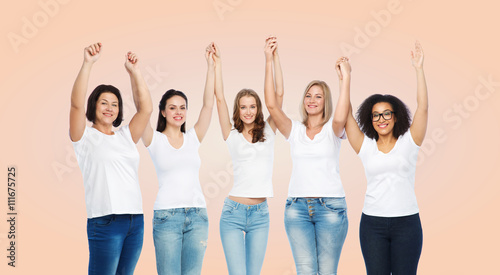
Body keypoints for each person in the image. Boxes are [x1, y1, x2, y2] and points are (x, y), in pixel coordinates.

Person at [264, 36, 351, 274]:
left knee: (327, 271)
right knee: (305, 270)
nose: (312, 100)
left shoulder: (334, 129)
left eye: (318, 96)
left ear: (326, 102)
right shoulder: (295, 131)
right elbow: (271, 106)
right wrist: (269, 59)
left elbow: (343, 115)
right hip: (297, 208)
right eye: (308, 96)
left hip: (331, 208)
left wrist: (345, 78)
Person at [344, 41, 427, 275]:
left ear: (396, 116)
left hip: (407, 224)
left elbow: (423, 108)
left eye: (386, 113)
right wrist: (345, 79)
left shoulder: (409, 142)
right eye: (375, 115)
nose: (381, 119)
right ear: (370, 120)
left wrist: (419, 69)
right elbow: (347, 115)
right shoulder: (366, 146)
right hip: (372, 225)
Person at [70, 42, 152, 275]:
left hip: (135, 221)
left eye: (115, 104)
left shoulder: (125, 135)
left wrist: (134, 72)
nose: (109, 108)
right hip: (105, 221)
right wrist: (87, 63)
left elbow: (146, 109)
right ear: (94, 105)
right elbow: (75, 104)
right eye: (104, 102)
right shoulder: (83, 137)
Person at [141, 43, 216, 275]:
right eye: (172, 107)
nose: (178, 112)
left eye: (182, 108)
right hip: (167, 218)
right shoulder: (153, 139)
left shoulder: (193, 138)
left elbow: (208, 105)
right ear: (162, 112)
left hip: (197, 216)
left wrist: (211, 67)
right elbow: (142, 108)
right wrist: (136, 73)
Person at [213, 39, 283, 275]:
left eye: (253, 106)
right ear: (238, 110)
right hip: (233, 213)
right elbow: (219, 98)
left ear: (258, 109)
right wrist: (217, 64)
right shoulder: (231, 134)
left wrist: (271, 58)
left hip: (261, 215)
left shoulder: (269, 131)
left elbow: (279, 94)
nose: (249, 111)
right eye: (244, 107)